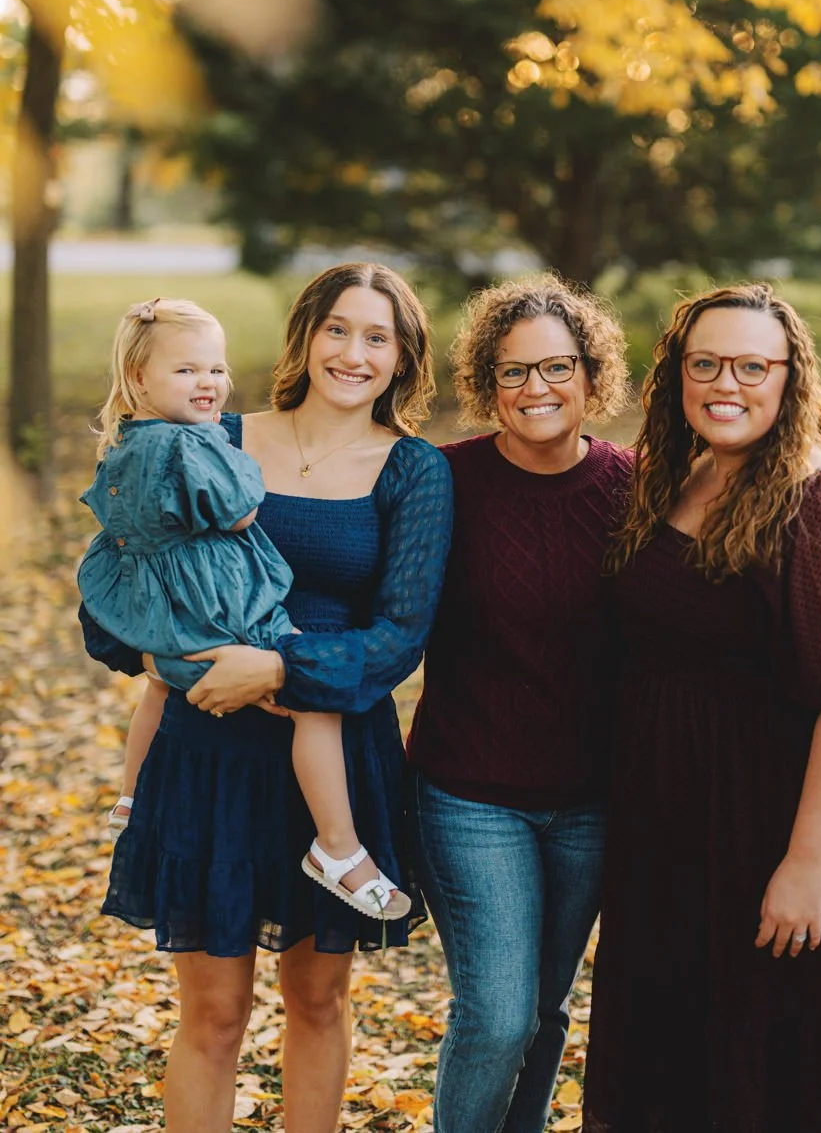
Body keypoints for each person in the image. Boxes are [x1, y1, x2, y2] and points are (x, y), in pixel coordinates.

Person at [81, 263, 453, 1133]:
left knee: (317, 1001)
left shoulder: (413, 470)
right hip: (208, 750)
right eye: (337, 329)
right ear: (305, 336)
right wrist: (175, 655)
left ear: (402, 357)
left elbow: (400, 637)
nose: (353, 353)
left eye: (377, 337)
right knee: (213, 1014)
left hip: (333, 753)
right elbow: (120, 576)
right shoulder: (209, 434)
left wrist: (279, 671)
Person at [582, 282, 821, 1133]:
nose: (725, 384)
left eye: (751, 366)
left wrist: (806, 866)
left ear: (789, 377)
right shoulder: (684, 476)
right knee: (693, 1062)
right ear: (678, 374)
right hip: (688, 826)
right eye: (705, 364)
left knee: (793, 1071)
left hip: (795, 825)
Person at [79, 296, 408, 921]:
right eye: (187, 370)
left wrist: (162, 648)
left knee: (160, 687)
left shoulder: (128, 442)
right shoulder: (200, 442)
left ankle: (131, 794)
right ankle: (336, 847)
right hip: (224, 612)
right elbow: (239, 510)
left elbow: (119, 532)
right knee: (313, 699)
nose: (208, 382)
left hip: (168, 607)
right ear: (139, 378)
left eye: (215, 369)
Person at [406, 275, 633, 1133]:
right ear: (487, 384)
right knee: (498, 1015)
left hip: (592, 801)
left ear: (590, 375)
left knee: (546, 1010)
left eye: (557, 367)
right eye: (513, 371)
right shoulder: (443, 480)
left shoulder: (636, 488)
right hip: (470, 794)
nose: (537, 388)